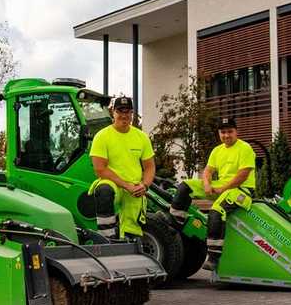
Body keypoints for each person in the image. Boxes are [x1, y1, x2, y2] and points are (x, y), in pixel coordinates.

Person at [169, 117, 256, 269]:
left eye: (230, 131)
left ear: (236, 132)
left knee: (216, 211)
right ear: (219, 133)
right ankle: (175, 224)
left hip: (241, 190)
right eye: (223, 132)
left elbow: (243, 174)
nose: (226, 135)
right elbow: (208, 171)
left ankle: (214, 257)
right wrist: (207, 184)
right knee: (185, 186)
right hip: (221, 188)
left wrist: (223, 189)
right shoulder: (217, 150)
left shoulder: (245, 148)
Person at [88, 95, 155, 240]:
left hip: (135, 187)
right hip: (113, 184)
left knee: (132, 231)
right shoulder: (102, 136)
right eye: (120, 111)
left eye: (128, 112)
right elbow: (100, 169)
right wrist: (126, 185)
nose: (124, 115)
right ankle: (107, 238)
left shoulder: (142, 137)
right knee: (104, 190)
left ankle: (131, 242)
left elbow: (149, 167)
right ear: (113, 112)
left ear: (132, 114)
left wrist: (144, 185)